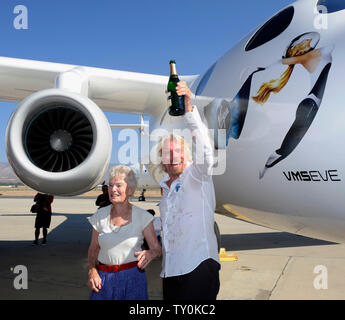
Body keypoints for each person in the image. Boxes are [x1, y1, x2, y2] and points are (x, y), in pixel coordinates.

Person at [157, 81, 220, 300]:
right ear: (162, 160)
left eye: (178, 152)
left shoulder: (197, 176)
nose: (173, 156)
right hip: (171, 271)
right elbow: (169, 224)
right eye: (167, 153)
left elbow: (206, 151)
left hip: (198, 267)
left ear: (188, 156)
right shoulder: (166, 188)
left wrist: (189, 111)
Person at [253, 32, 334, 178]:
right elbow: (327, 44)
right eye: (305, 42)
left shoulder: (309, 56)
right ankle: (262, 170)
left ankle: (263, 170)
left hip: (310, 104)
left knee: (286, 149)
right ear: (299, 47)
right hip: (310, 106)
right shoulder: (309, 56)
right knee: (286, 149)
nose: (309, 41)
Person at [87, 165, 161, 300]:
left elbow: (157, 249)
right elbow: (93, 249)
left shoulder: (143, 217)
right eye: (110, 185)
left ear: (130, 190)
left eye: (118, 185)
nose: (113, 189)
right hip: (103, 278)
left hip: (133, 279)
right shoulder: (99, 216)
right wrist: (92, 271)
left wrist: (152, 253)